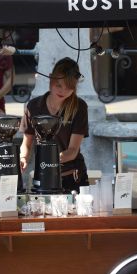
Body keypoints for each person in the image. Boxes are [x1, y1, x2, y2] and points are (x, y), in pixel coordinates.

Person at [19, 57, 89, 192]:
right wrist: (23, 158)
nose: (63, 91)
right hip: (43, 176)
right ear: (50, 79)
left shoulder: (79, 107)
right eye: (59, 85)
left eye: (69, 87)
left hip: (72, 177)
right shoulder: (34, 106)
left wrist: (48, 159)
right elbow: (27, 143)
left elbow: (73, 150)